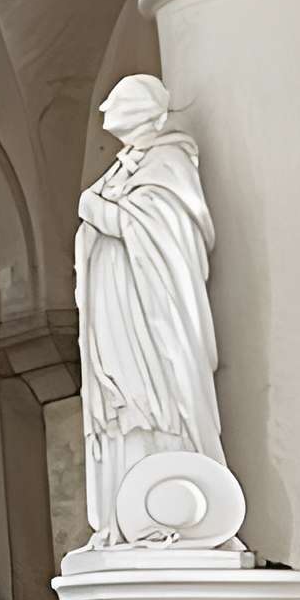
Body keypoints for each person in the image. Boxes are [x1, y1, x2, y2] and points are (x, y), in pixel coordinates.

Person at [75, 74, 220, 546]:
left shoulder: (168, 162)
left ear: (142, 109)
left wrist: (97, 211)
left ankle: (172, 513)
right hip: (114, 311)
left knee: (155, 398)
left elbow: (162, 232)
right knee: (122, 407)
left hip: (150, 312)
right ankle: (126, 519)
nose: (106, 110)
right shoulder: (123, 167)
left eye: (117, 102)